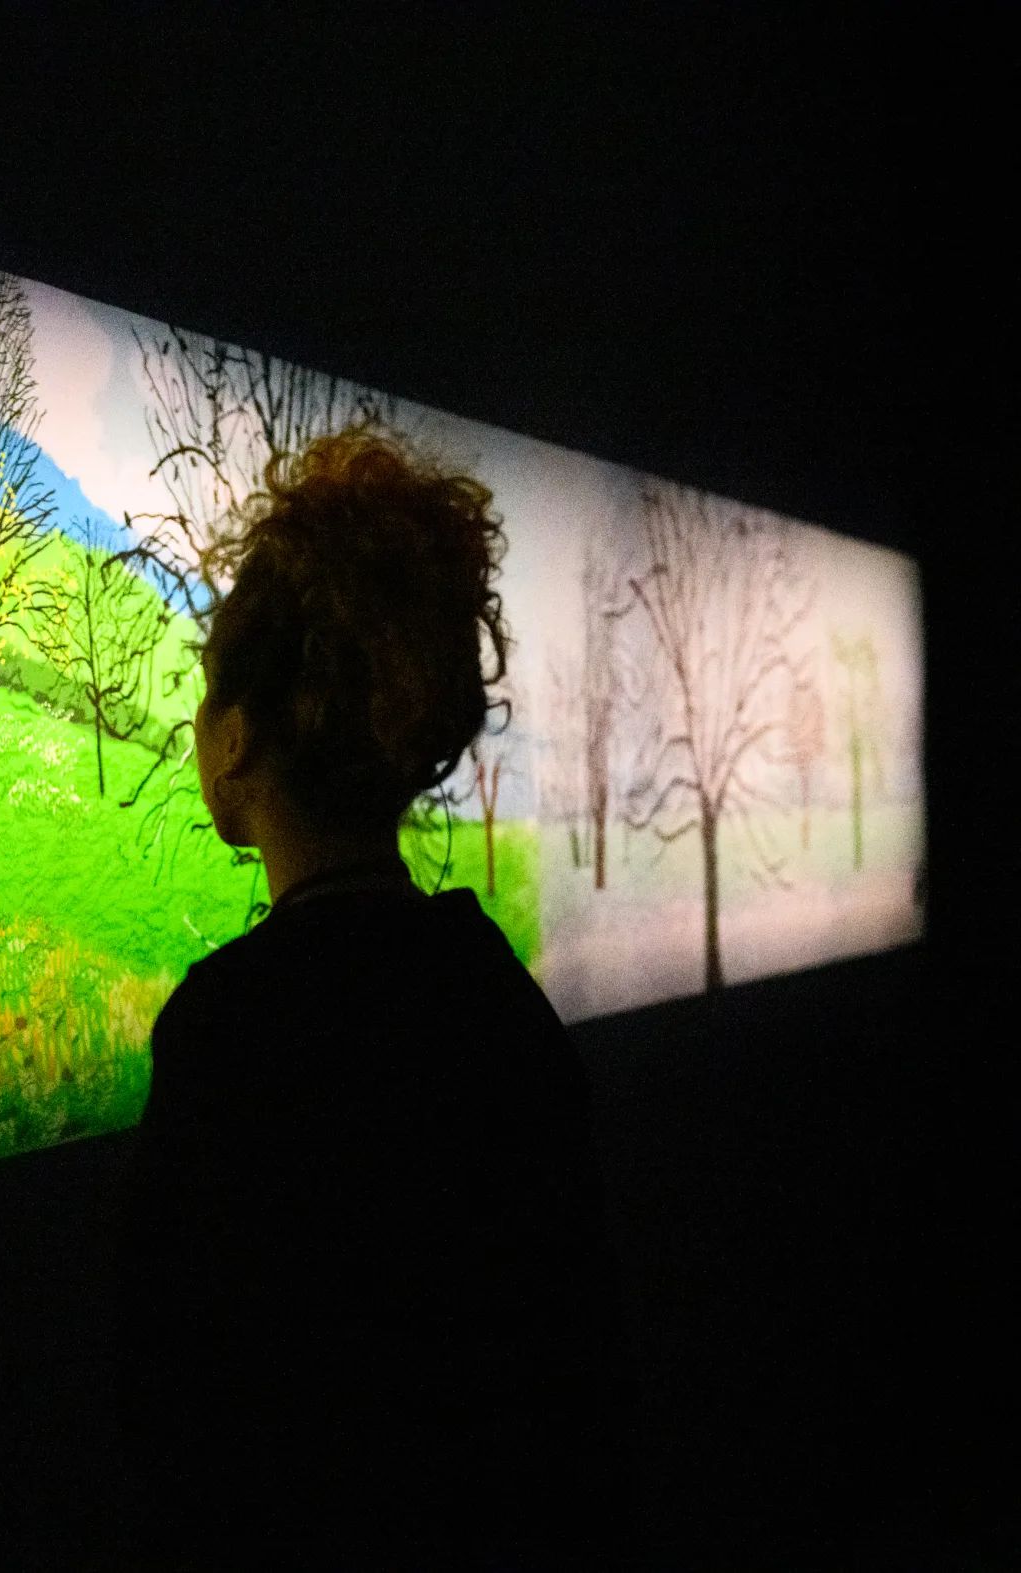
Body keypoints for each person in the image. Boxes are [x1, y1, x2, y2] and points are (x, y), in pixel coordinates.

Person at [115, 427, 636, 1568]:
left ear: (236, 738)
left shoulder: (229, 1033)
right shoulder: (492, 995)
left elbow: (178, 1417)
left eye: (204, 696)